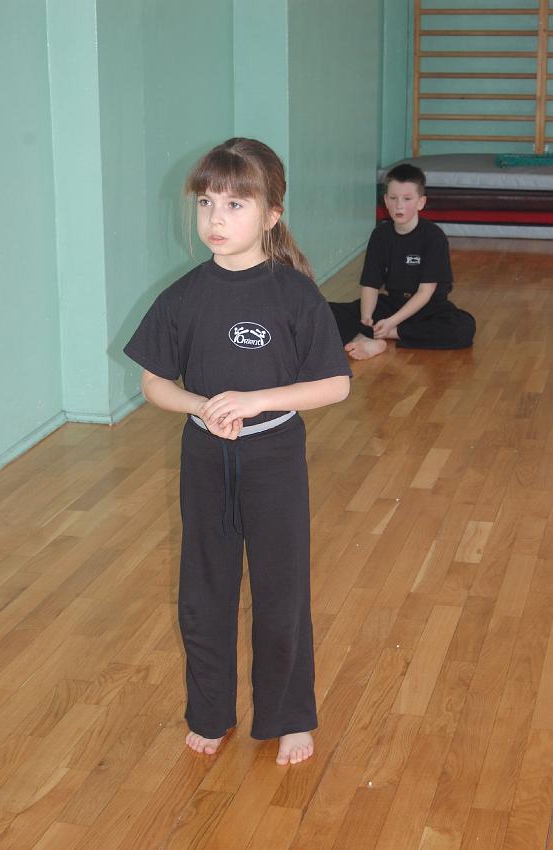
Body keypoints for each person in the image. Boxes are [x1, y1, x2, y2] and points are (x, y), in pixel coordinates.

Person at [124, 138, 351, 766]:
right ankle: (209, 712)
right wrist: (200, 406)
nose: (215, 218)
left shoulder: (294, 294)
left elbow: (335, 384)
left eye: (234, 204)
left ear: (272, 214)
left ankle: (290, 716)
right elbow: (153, 383)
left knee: (281, 591)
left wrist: (256, 400)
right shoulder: (184, 295)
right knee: (204, 590)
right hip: (204, 459)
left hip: (273, 457)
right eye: (205, 202)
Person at [329, 163, 476, 359]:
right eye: (393, 198)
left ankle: (389, 334)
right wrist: (366, 318)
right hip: (392, 303)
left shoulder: (434, 237)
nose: (399, 205)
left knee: (463, 327)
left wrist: (391, 324)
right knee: (326, 310)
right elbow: (371, 284)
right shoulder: (380, 235)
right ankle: (365, 335)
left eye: (407, 199)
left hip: (428, 308)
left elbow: (425, 292)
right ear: (385, 200)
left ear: (421, 202)